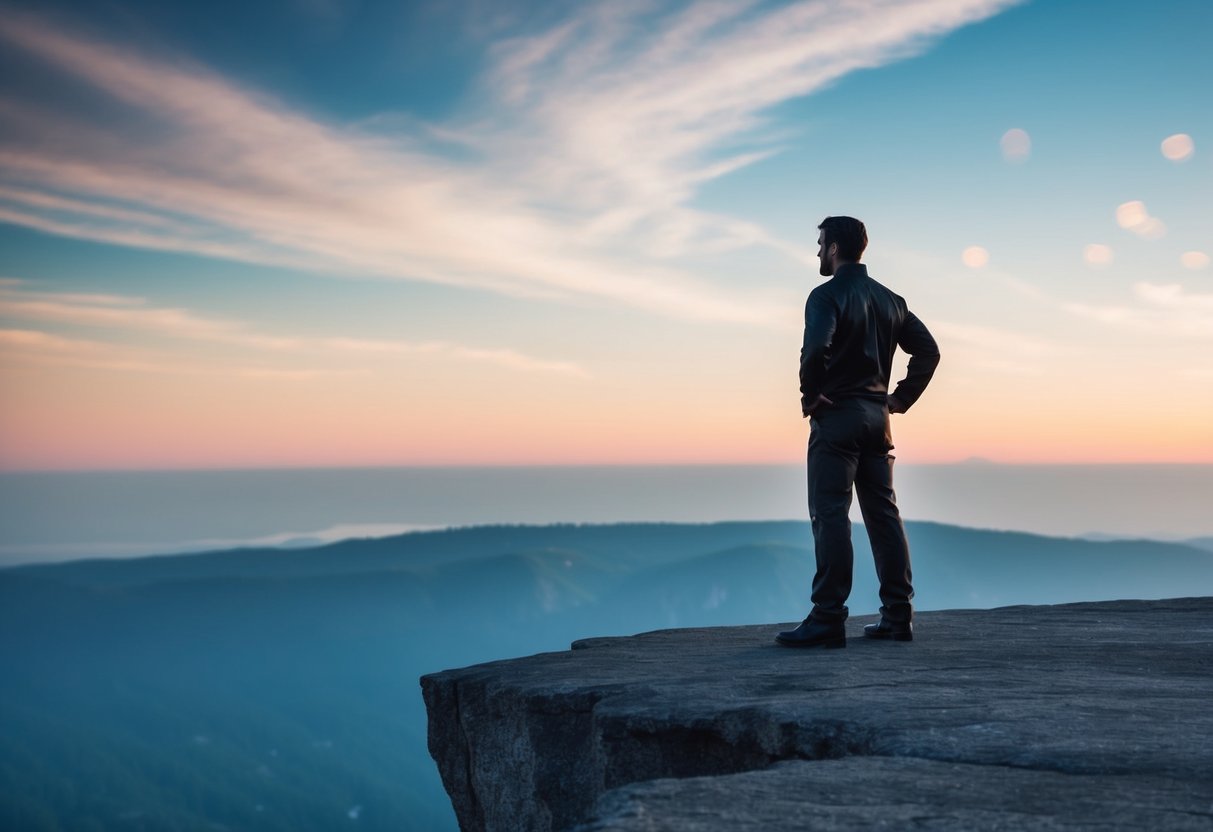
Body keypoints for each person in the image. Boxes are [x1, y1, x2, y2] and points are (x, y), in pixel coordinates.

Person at [776, 216, 940, 649]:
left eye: (820, 243)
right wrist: (900, 399)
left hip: (838, 418)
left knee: (830, 514)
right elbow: (929, 351)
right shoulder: (891, 301)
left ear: (833, 248)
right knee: (883, 514)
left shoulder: (825, 296)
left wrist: (811, 395)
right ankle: (898, 616)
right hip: (877, 419)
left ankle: (828, 617)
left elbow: (815, 347)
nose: (816, 252)